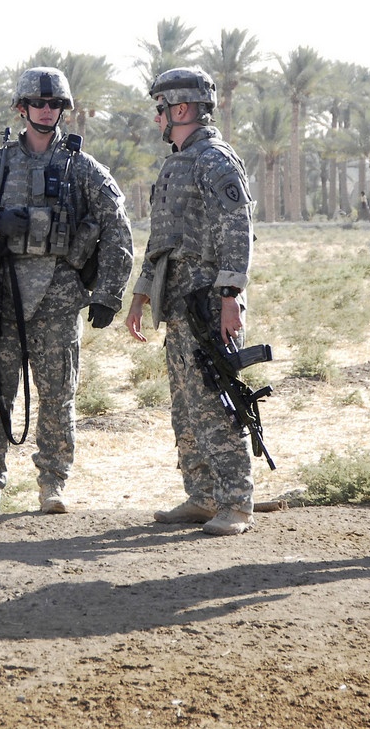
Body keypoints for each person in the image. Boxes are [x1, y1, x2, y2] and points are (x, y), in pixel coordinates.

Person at [0, 67, 132, 516]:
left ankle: (53, 484)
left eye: (54, 104)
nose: (47, 111)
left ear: (63, 110)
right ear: (22, 108)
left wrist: (109, 293)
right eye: (38, 103)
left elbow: (116, 226)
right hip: (2, 297)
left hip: (58, 301)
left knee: (58, 398)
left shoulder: (81, 168)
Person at [124, 68, 258, 537]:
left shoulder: (215, 160)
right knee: (186, 405)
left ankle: (236, 503)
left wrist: (230, 297)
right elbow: (161, 237)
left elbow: (237, 230)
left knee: (214, 401)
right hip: (177, 301)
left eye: (160, 108)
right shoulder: (176, 162)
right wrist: (141, 294)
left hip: (206, 300)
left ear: (179, 110)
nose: (156, 117)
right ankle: (202, 496)